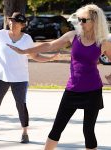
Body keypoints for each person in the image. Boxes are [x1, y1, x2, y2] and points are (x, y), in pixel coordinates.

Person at [7, 4, 111, 150]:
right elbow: (50, 45)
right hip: (72, 89)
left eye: (84, 20)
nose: (80, 22)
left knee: (88, 131)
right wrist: (24, 51)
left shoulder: (103, 43)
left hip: (93, 90)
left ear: (94, 21)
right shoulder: (73, 36)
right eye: (79, 19)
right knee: (57, 128)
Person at [0, 12, 59, 143]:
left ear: (22, 25)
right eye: (11, 20)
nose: (12, 23)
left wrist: (50, 58)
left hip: (20, 79)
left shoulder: (27, 39)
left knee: (21, 105)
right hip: (0, 77)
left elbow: (36, 56)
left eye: (16, 21)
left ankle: (24, 133)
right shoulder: (0, 35)